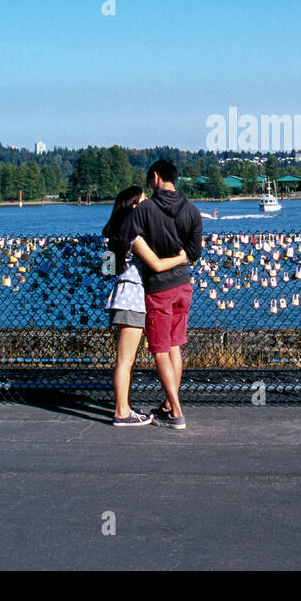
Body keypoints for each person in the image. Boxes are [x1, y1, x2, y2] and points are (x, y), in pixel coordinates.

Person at [118, 159, 203, 430]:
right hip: (183, 286)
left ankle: (176, 412)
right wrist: (180, 256)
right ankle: (169, 404)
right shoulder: (192, 211)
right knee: (175, 345)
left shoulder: (144, 211)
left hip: (158, 288)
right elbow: (195, 253)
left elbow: (121, 238)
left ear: (155, 177)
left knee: (160, 350)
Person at [101, 186, 189, 426]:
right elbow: (157, 265)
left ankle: (125, 406)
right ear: (134, 207)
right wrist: (183, 257)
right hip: (134, 298)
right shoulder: (134, 237)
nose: (148, 203)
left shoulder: (112, 233)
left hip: (122, 296)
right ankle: (121, 411)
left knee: (124, 358)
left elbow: (107, 269)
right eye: (144, 200)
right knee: (125, 359)